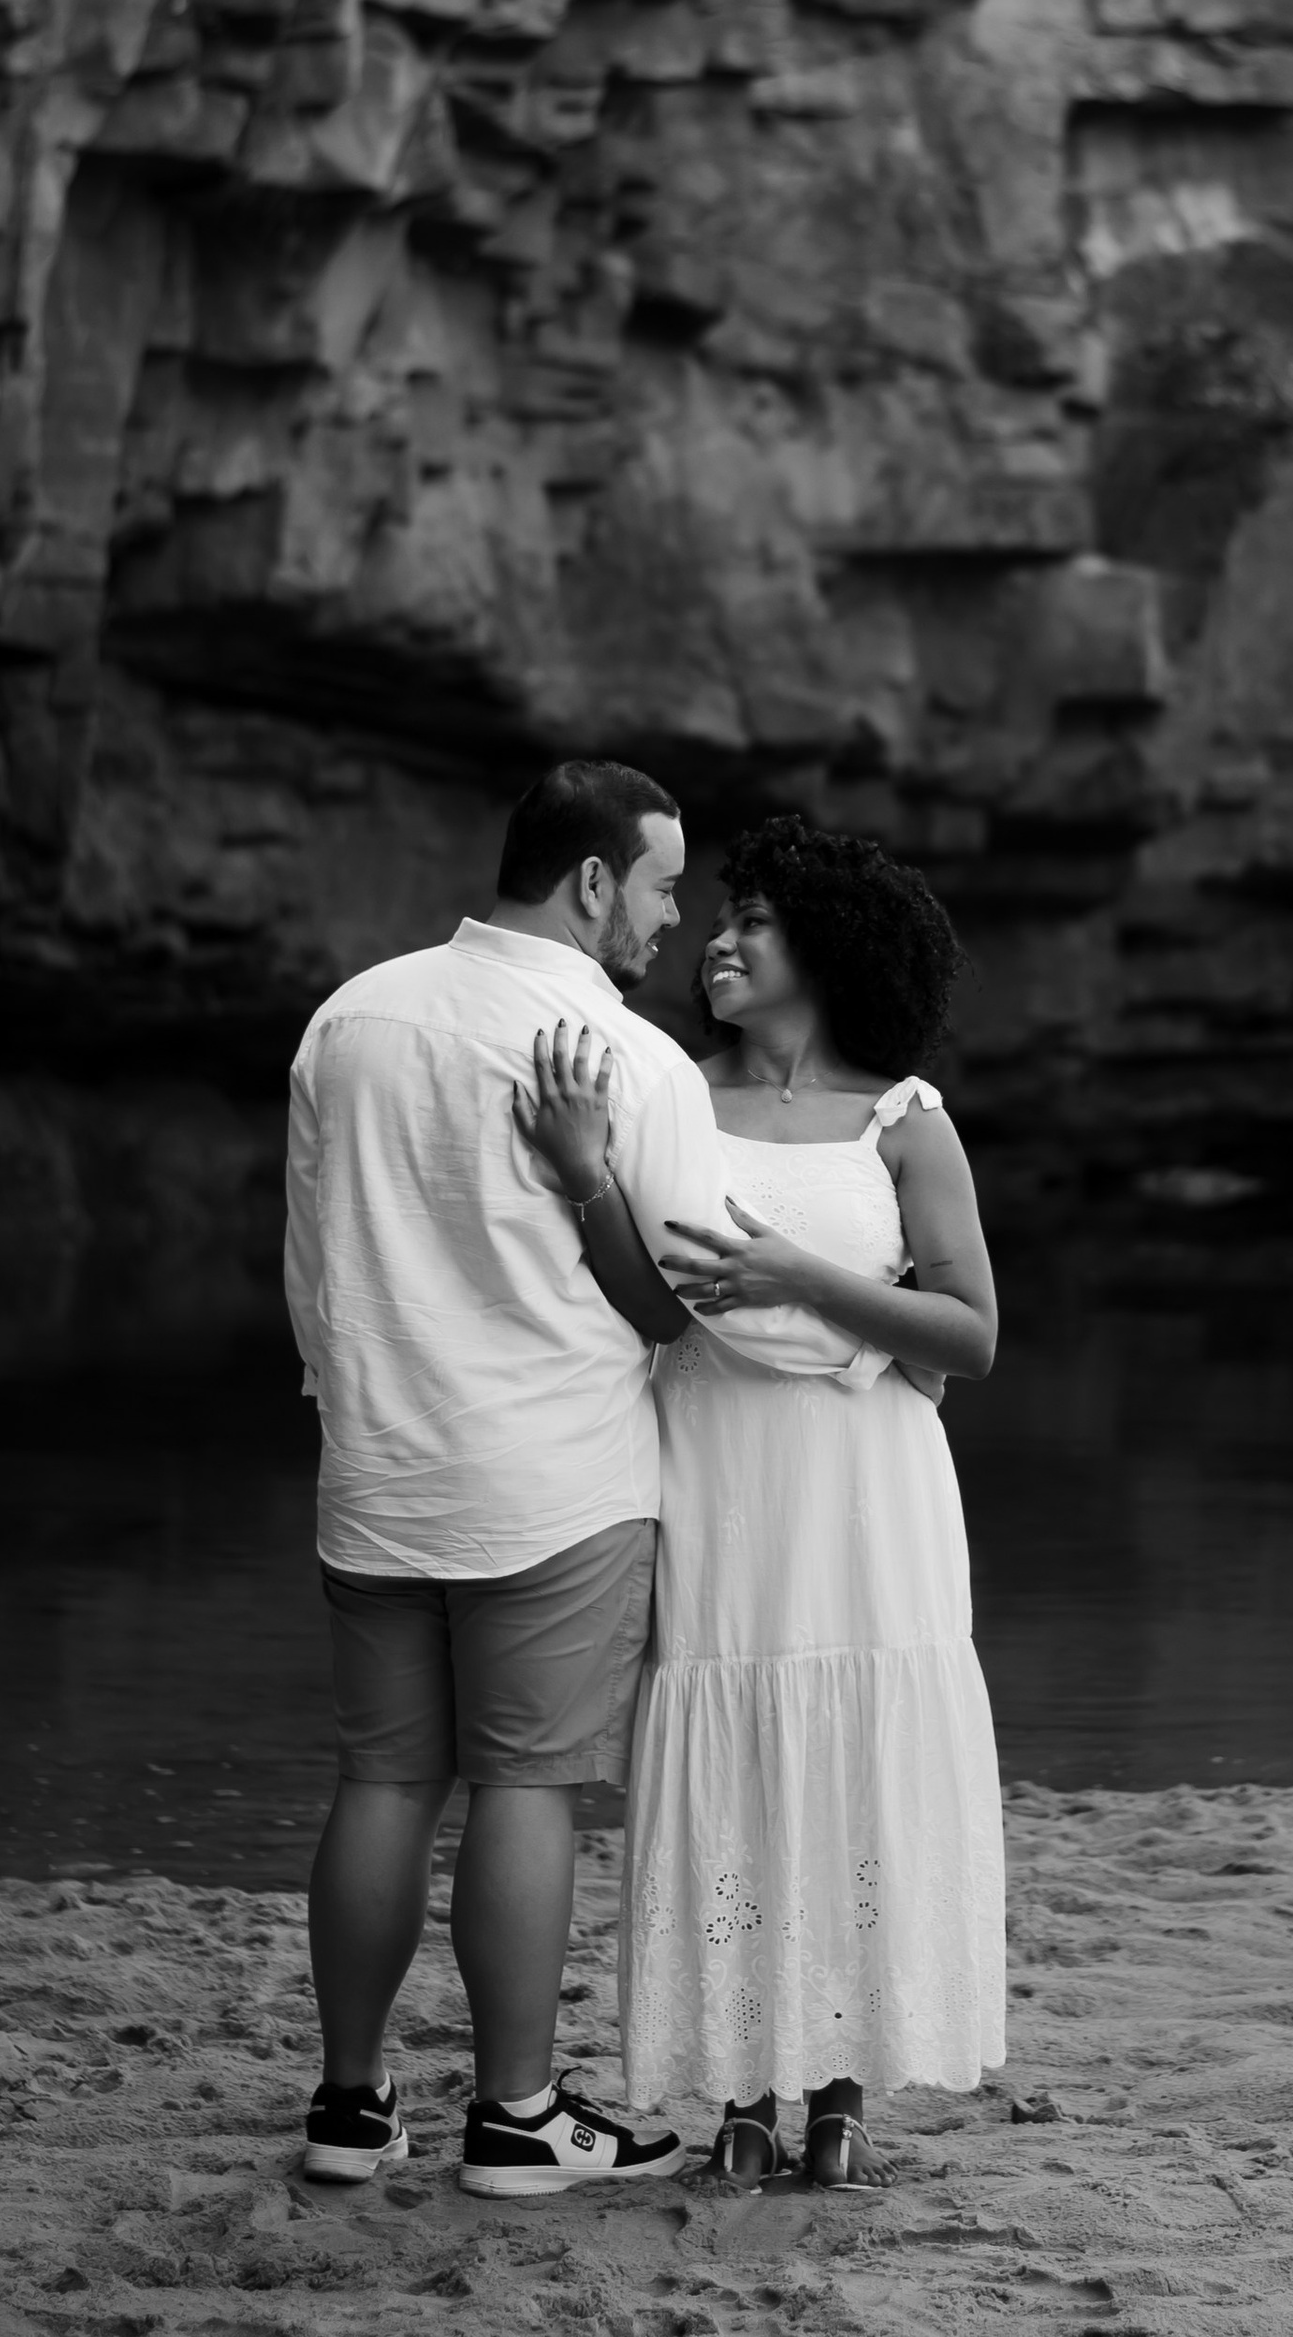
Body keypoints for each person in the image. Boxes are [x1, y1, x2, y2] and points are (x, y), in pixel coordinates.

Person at [283, 758, 876, 2200]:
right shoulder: (625, 1057)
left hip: (376, 1472)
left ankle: (350, 2109)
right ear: (597, 879)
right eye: (664, 885)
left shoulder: (347, 1018)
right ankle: (517, 2113)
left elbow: (310, 1270)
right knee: (527, 1788)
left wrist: (348, 1402)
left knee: (381, 1778)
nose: (673, 921)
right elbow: (689, 1295)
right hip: (552, 1485)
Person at [523, 812, 1006, 2187]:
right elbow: (646, 1301)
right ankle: (742, 2085)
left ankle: (841, 2092)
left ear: (832, 946)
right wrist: (579, 1172)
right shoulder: (667, 1087)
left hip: (869, 1494)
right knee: (733, 1757)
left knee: (850, 1766)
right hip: (716, 1468)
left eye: (756, 921)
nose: (719, 939)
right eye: (718, 916)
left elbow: (968, 1332)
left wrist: (805, 1278)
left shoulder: (904, 1119)